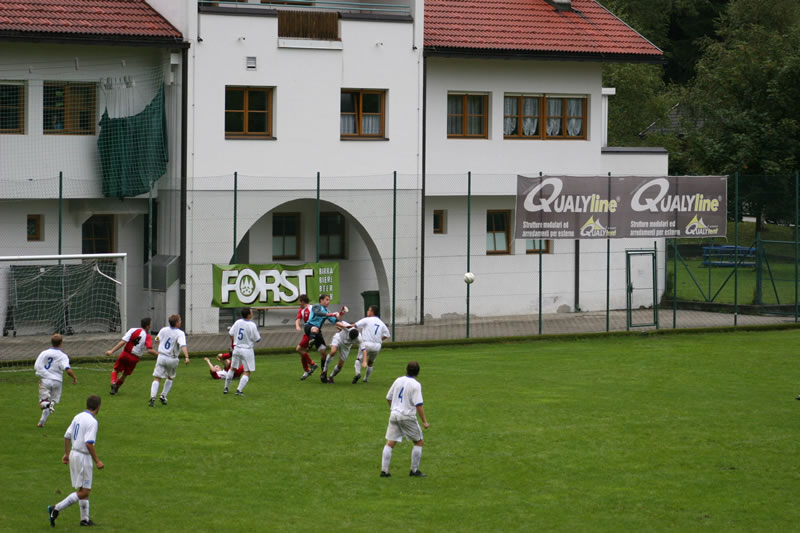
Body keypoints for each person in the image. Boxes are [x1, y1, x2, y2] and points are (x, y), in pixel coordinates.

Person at [48, 394, 104, 527]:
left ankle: (84, 520)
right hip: (83, 457)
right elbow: (89, 443)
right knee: (85, 491)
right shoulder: (92, 421)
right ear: (98, 407)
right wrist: (97, 461)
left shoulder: (78, 416)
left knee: (83, 488)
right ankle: (55, 508)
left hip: (74, 453)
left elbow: (67, 436)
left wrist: (66, 454)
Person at [381, 361, 430, 478]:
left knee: (390, 442)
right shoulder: (416, 385)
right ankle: (414, 471)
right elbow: (419, 405)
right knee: (419, 441)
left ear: (406, 369)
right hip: (407, 417)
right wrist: (425, 421)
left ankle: (384, 471)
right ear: (418, 372)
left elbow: (388, 397)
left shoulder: (398, 380)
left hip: (394, 415)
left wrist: (394, 409)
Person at [104, 317, 157, 395]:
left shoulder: (133, 330)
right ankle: (116, 388)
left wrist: (111, 351)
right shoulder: (147, 336)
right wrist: (158, 355)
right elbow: (150, 350)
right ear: (148, 326)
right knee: (124, 374)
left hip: (125, 354)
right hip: (135, 358)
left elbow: (123, 342)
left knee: (115, 370)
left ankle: (113, 383)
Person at [34, 333, 77, 427]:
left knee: (43, 403)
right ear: (61, 343)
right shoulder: (63, 356)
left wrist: (42, 373)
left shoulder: (44, 353)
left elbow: (36, 366)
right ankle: (42, 422)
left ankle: (47, 404)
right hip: (57, 381)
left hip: (45, 380)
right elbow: (68, 369)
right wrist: (74, 377)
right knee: (51, 402)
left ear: (51, 342)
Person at [149, 314, 189, 407]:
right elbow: (183, 345)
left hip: (161, 357)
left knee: (157, 378)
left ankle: (152, 398)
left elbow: (156, 340)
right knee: (170, 377)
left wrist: (161, 341)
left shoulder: (163, 330)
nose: (181, 322)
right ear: (176, 323)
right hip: (172, 358)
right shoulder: (180, 333)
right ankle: (163, 395)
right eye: (179, 320)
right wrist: (187, 356)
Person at [306, 294, 347, 383]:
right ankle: (311, 340)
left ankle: (323, 375)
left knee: (324, 353)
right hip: (309, 327)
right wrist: (330, 314)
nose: (328, 301)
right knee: (315, 328)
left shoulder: (327, 311)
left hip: (317, 332)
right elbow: (317, 313)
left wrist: (341, 318)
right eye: (327, 299)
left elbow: (336, 322)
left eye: (329, 300)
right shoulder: (317, 306)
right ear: (321, 300)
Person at [224, 307, 261, 396]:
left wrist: (234, 343)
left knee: (232, 368)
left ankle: (226, 388)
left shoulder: (238, 322)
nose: (252, 313)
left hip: (237, 348)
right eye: (251, 312)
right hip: (247, 350)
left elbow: (230, 333)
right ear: (248, 315)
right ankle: (239, 390)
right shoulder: (252, 325)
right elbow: (257, 339)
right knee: (247, 371)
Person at [352, 305, 391, 384]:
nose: (367, 311)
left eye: (369, 310)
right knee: (371, 363)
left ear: (372, 312)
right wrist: (379, 339)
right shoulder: (381, 322)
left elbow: (355, 325)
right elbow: (387, 335)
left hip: (366, 344)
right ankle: (366, 378)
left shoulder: (367, 320)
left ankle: (358, 374)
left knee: (358, 360)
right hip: (377, 346)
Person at [295, 294, 318, 380]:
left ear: (303, 301)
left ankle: (312, 364)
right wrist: (297, 326)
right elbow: (297, 319)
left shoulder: (312, 308)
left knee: (298, 349)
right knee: (302, 352)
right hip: (307, 332)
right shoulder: (301, 310)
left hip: (311, 332)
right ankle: (306, 370)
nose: (298, 303)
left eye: (299, 302)